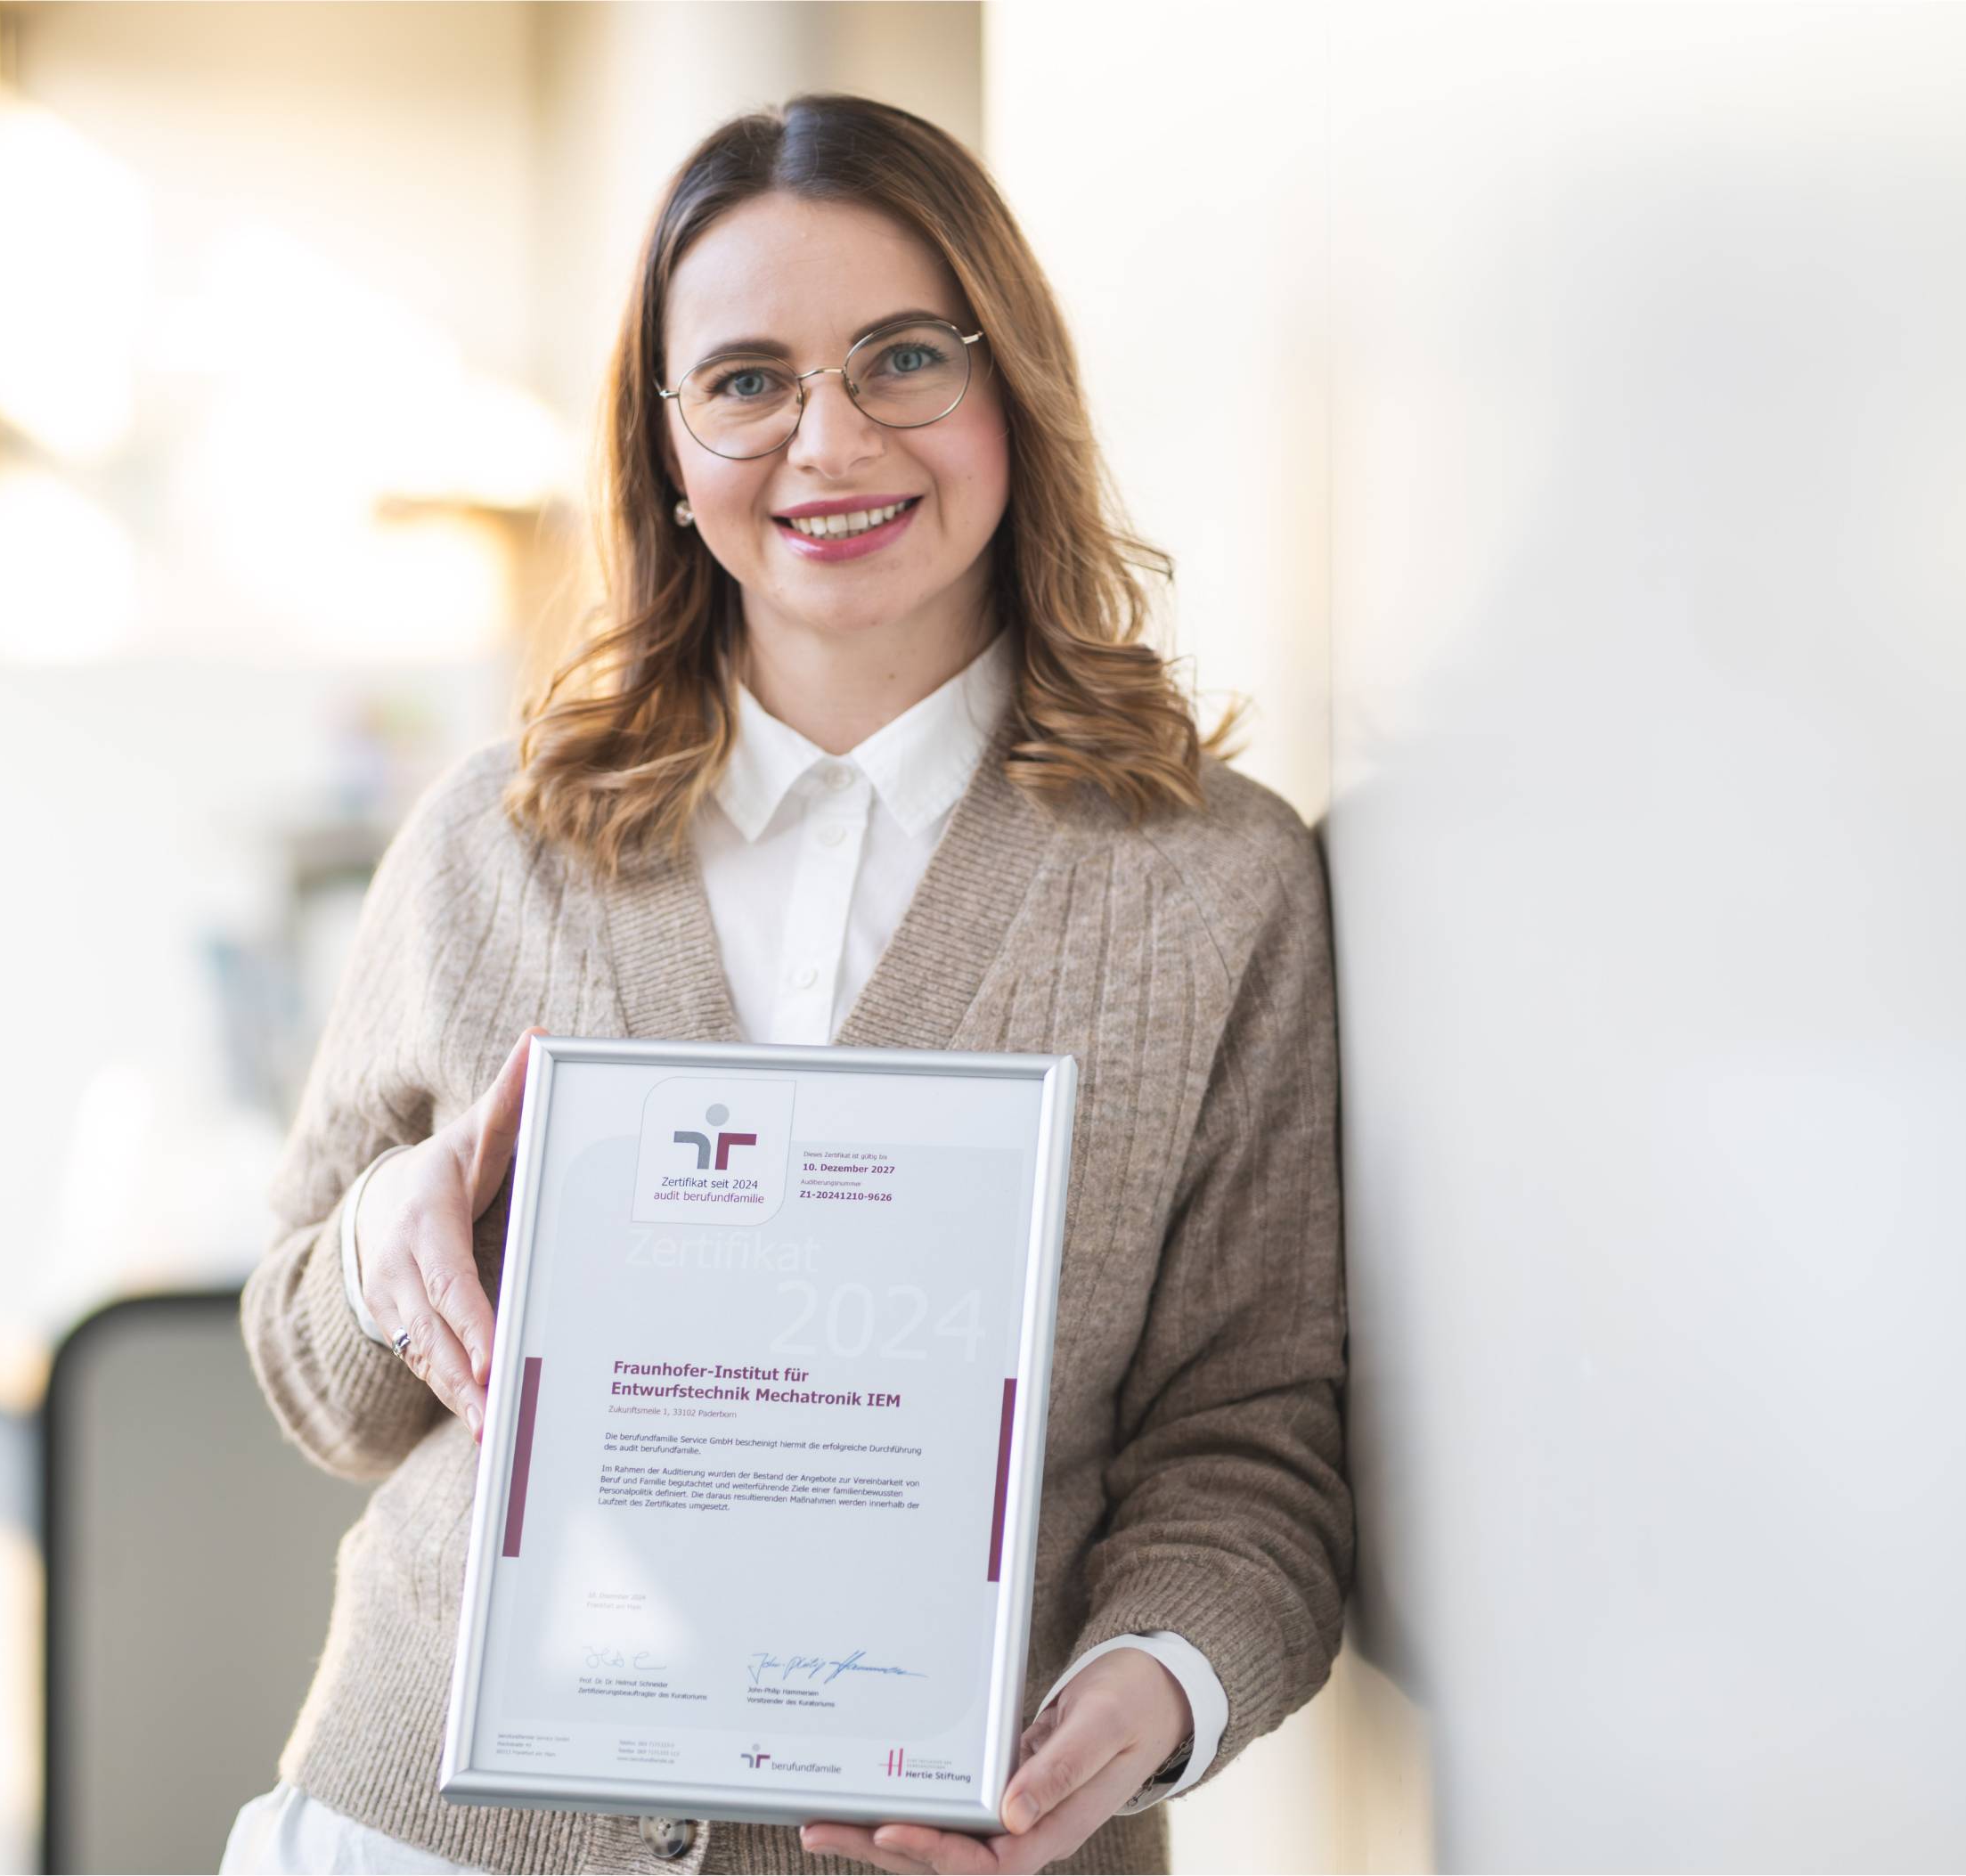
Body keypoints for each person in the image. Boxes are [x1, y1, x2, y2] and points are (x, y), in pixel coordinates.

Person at [223, 93, 1349, 1876]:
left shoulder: (1214, 885)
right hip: (438, 1833)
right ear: (668, 448)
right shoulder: (491, 841)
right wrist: (386, 1246)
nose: (829, 439)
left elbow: (1251, 1437)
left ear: (1009, 393)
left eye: (903, 357)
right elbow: (313, 1372)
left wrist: (1147, 1692)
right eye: (745, 380)